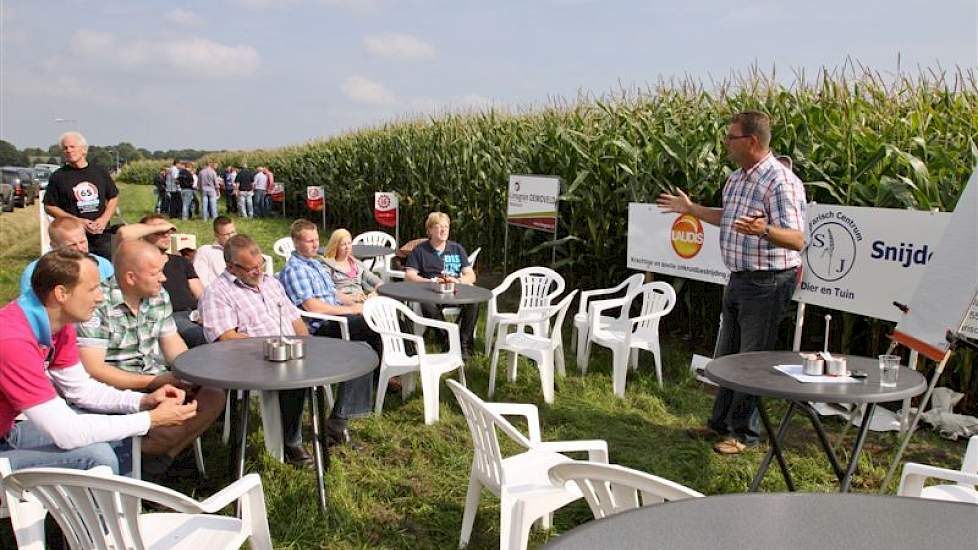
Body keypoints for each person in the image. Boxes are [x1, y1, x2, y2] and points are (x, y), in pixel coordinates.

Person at [657, 111, 806, 455]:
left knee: (750, 361)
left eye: (731, 137)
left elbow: (798, 239)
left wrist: (765, 230)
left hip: (768, 282)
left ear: (752, 141)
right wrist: (692, 209)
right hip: (739, 278)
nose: (725, 143)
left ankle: (745, 434)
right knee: (726, 358)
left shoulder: (779, 182)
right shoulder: (737, 179)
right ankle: (719, 425)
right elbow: (727, 217)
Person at [0, 248, 197, 474]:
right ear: (61, 293)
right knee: (97, 456)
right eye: (93, 288)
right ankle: (111, 508)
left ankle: (123, 504)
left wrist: (143, 401)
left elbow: (81, 391)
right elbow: (66, 434)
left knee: (112, 431)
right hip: (7, 439)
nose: (101, 296)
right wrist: (150, 419)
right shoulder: (12, 341)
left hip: (8, 432)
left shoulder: (58, 324)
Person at [76, 240, 225, 476]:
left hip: (159, 379)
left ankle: (156, 461)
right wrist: (153, 383)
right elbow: (94, 369)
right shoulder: (97, 304)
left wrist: (191, 374)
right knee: (170, 428)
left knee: (213, 395)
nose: (164, 279)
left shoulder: (157, 296)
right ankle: (144, 462)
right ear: (130, 277)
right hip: (117, 390)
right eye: (155, 273)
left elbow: (172, 342)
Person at [198, 234, 316, 467]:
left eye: (260, 264)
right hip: (249, 360)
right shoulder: (218, 292)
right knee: (293, 377)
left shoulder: (271, 282)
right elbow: (225, 338)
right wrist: (271, 348)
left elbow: (294, 318)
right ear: (231, 267)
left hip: (285, 350)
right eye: (250, 268)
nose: (258, 271)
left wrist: (306, 345)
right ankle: (291, 442)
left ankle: (335, 423)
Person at [279, 220, 381, 450]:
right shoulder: (296, 269)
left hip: (335, 317)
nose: (316, 244)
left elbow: (332, 294)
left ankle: (340, 419)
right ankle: (349, 410)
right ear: (296, 242)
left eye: (317, 240)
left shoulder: (315, 264)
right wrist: (351, 311)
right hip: (320, 327)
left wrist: (356, 300)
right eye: (310, 240)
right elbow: (313, 306)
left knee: (366, 348)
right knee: (369, 328)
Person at [405, 212, 479, 355]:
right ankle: (447, 339)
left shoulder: (457, 249)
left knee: (474, 302)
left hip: (455, 289)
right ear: (429, 230)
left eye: (446, 227)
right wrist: (431, 281)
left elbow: (471, 275)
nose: (443, 230)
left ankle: (463, 343)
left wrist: (458, 281)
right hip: (431, 291)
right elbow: (410, 275)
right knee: (426, 304)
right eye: (439, 227)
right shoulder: (420, 250)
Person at [43, 131, 120, 260]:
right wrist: (77, 221)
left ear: (84, 150)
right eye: (65, 148)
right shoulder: (58, 176)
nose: (68, 150)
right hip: (74, 240)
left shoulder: (99, 172)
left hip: (101, 235)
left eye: (72, 147)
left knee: (107, 271)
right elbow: (49, 206)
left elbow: (113, 197)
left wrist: (104, 219)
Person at [137, 214, 207, 348]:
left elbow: (200, 293)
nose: (166, 235)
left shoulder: (181, 261)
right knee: (199, 335)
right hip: (167, 315)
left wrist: (207, 313)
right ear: (143, 234)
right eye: (159, 231)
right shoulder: (138, 264)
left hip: (193, 312)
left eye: (168, 231)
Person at [20, 217, 114, 294]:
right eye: (72, 245)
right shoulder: (35, 272)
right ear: (54, 247)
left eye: (82, 242)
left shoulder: (103, 265)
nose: (80, 248)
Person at [322, 228, 383, 302]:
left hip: (361, 301)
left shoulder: (357, 264)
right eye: (343, 245)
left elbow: (377, 281)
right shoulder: (327, 266)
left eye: (349, 243)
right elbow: (327, 290)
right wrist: (352, 298)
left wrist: (375, 293)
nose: (347, 247)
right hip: (343, 303)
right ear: (336, 246)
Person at [194, 216, 236, 286]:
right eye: (227, 234)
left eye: (233, 232)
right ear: (216, 235)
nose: (231, 236)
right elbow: (201, 279)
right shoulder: (206, 251)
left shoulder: (243, 249)